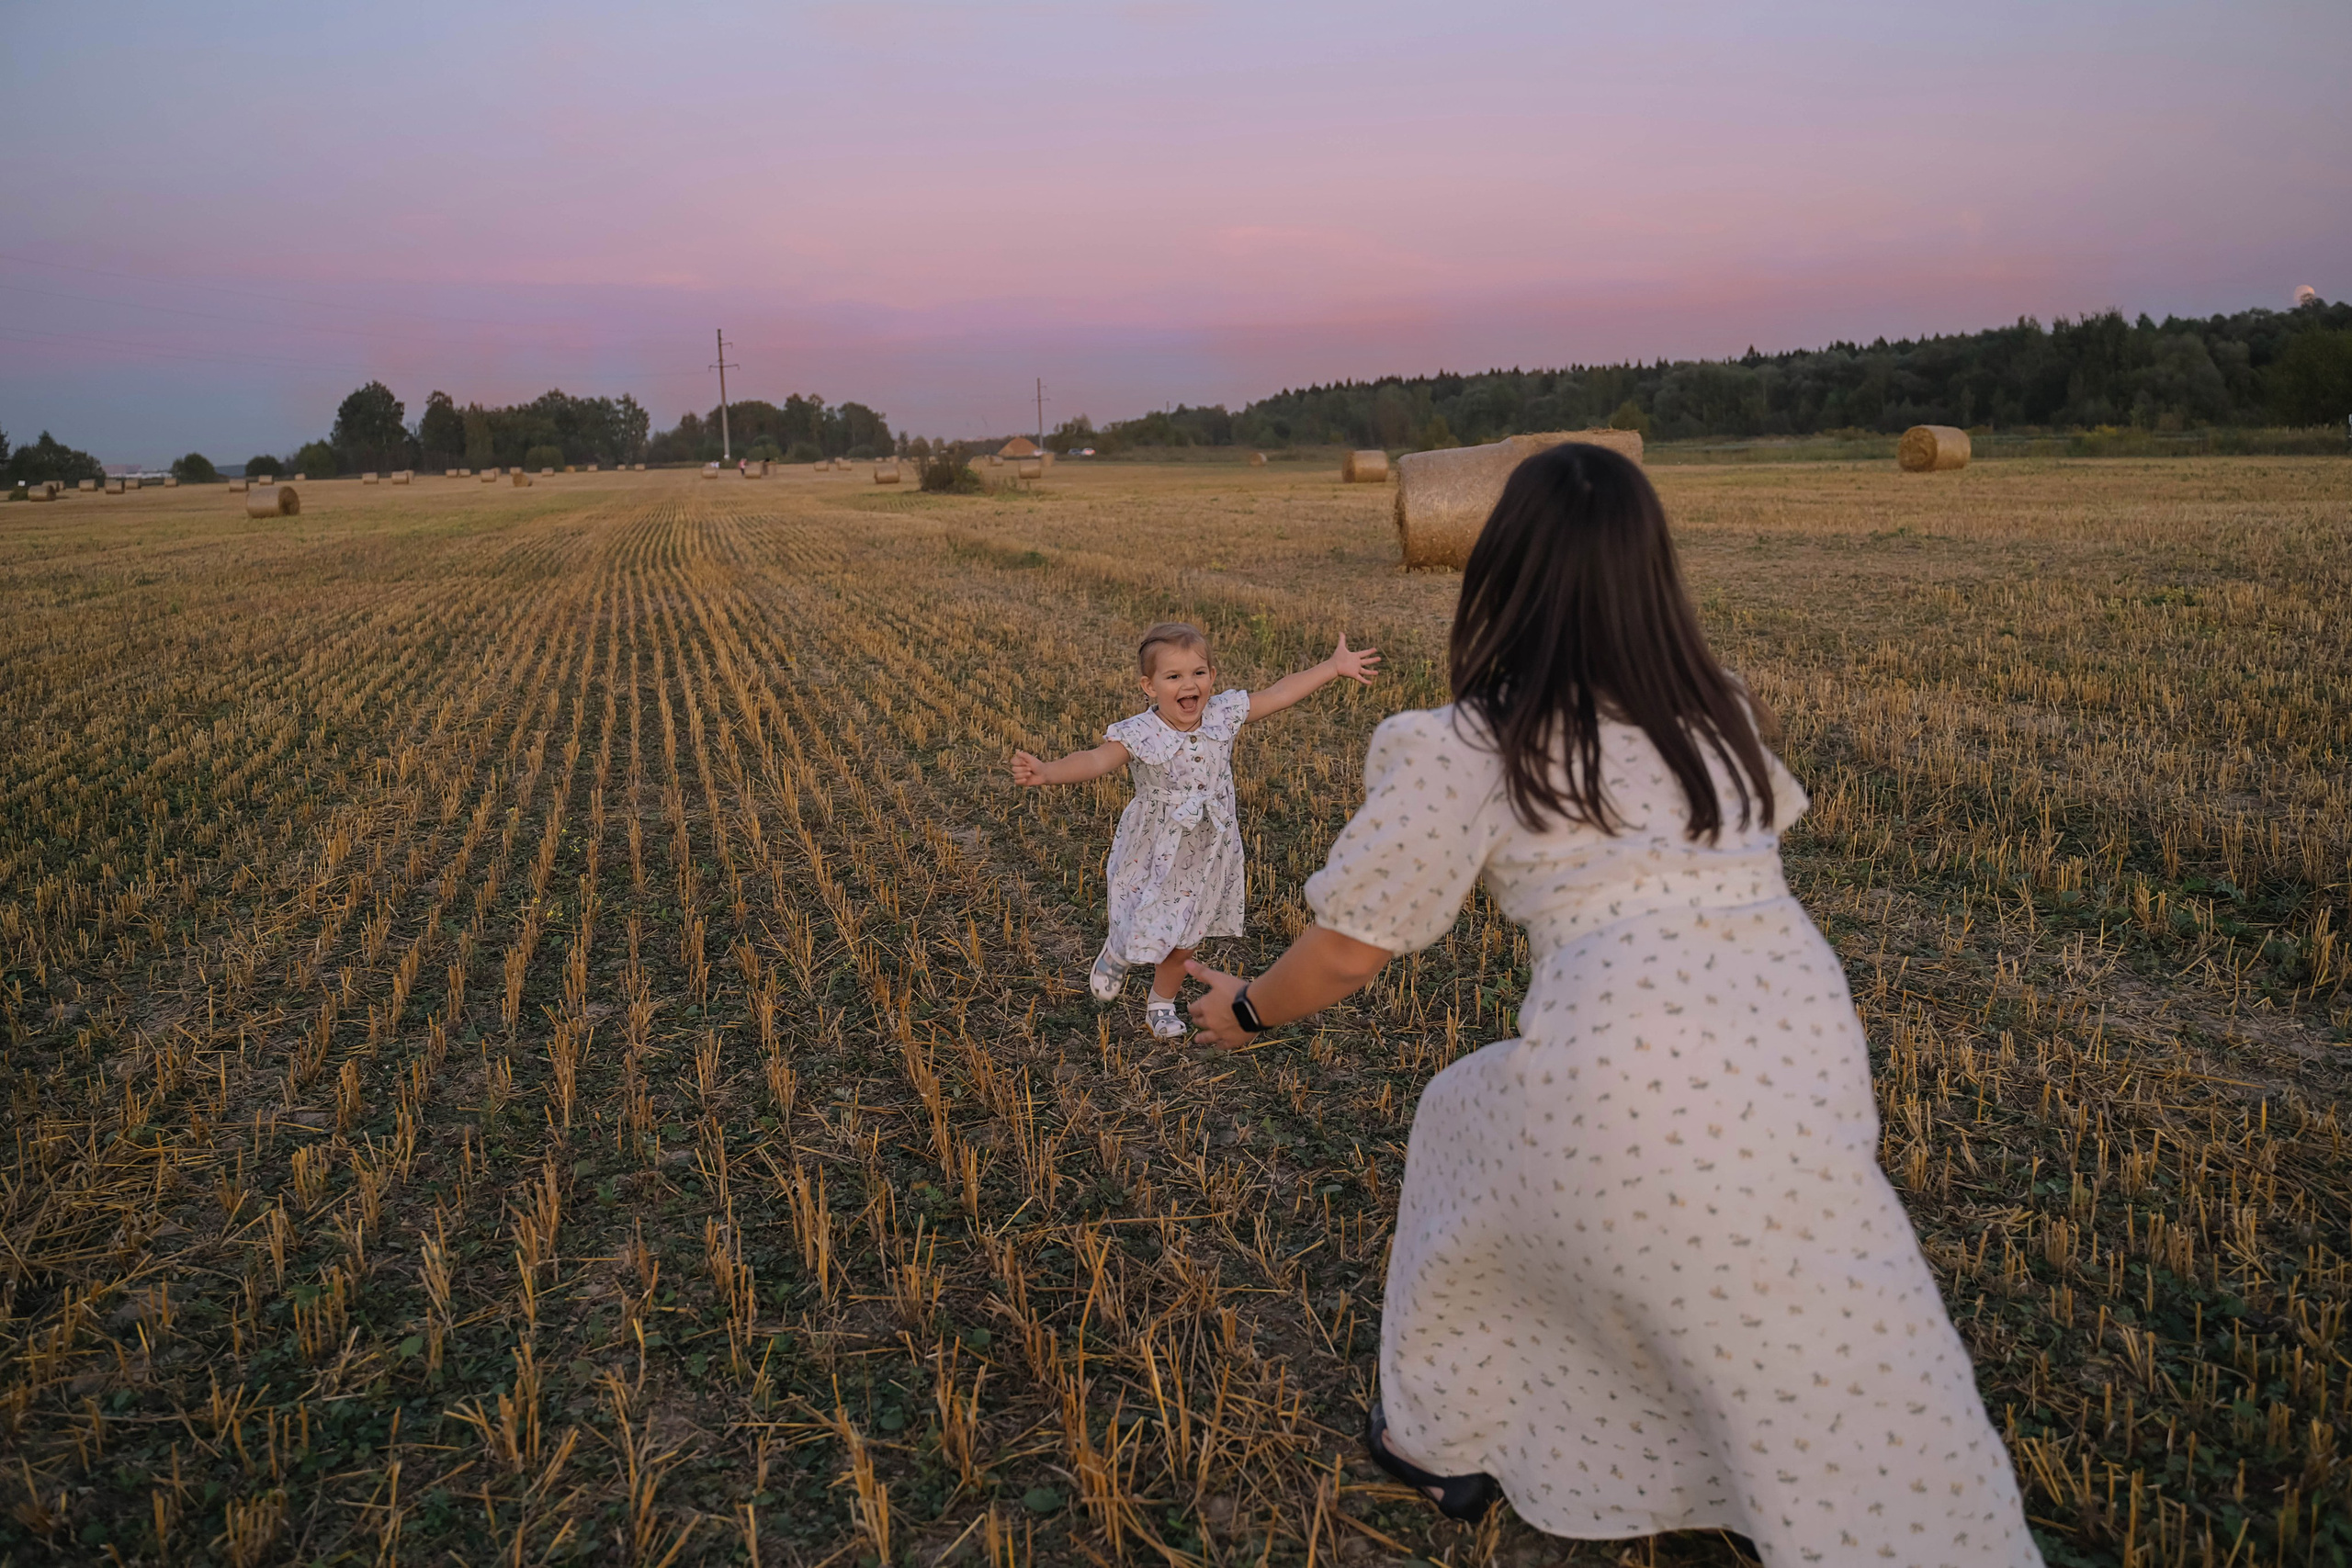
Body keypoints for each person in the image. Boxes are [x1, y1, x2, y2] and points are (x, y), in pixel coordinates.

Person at [1186, 446, 2041, 1564]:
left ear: (1496, 574)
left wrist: (1248, 1010)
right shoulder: (1715, 713)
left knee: (1478, 1143)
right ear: (1653, 575)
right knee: (1809, 1289)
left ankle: (1440, 1435)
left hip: (1627, 1049)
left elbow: (1347, 952)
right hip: (1802, 1029)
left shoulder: (1471, 742)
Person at [1012, 622, 1379, 1040]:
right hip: (1154, 845)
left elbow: (1279, 693)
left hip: (1208, 847)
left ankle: (1160, 1004)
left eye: (1198, 673)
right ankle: (1119, 950)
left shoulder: (1222, 715)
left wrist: (1332, 667)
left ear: (1212, 676)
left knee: (1188, 933)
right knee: (1138, 909)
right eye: (1174, 676)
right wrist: (1048, 772)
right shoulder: (1141, 733)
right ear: (1149, 686)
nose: (1189, 685)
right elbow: (1095, 760)